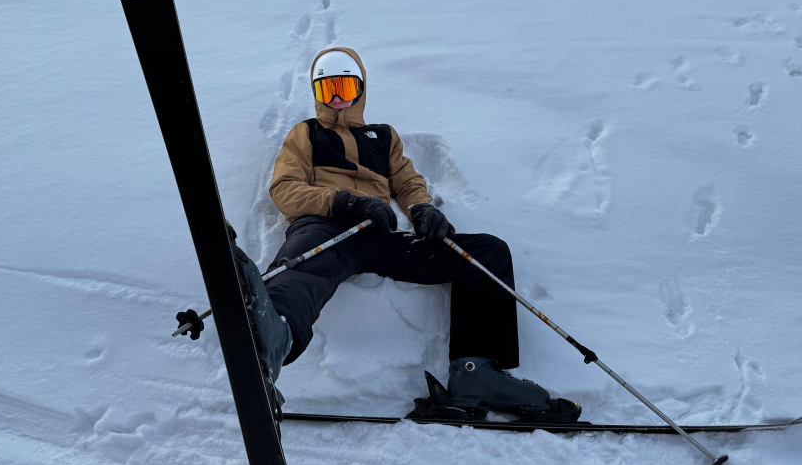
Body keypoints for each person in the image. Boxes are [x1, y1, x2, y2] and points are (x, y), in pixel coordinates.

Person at [243, 47, 567, 421]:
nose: (337, 99)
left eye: (345, 88)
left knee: (486, 252)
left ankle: (476, 373)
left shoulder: (383, 137)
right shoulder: (306, 134)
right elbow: (285, 188)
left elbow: (407, 182)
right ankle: (276, 333)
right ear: (316, 93)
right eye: (327, 89)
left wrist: (422, 209)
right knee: (308, 257)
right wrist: (346, 202)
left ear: (361, 89)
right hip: (327, 225)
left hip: (379, 236)